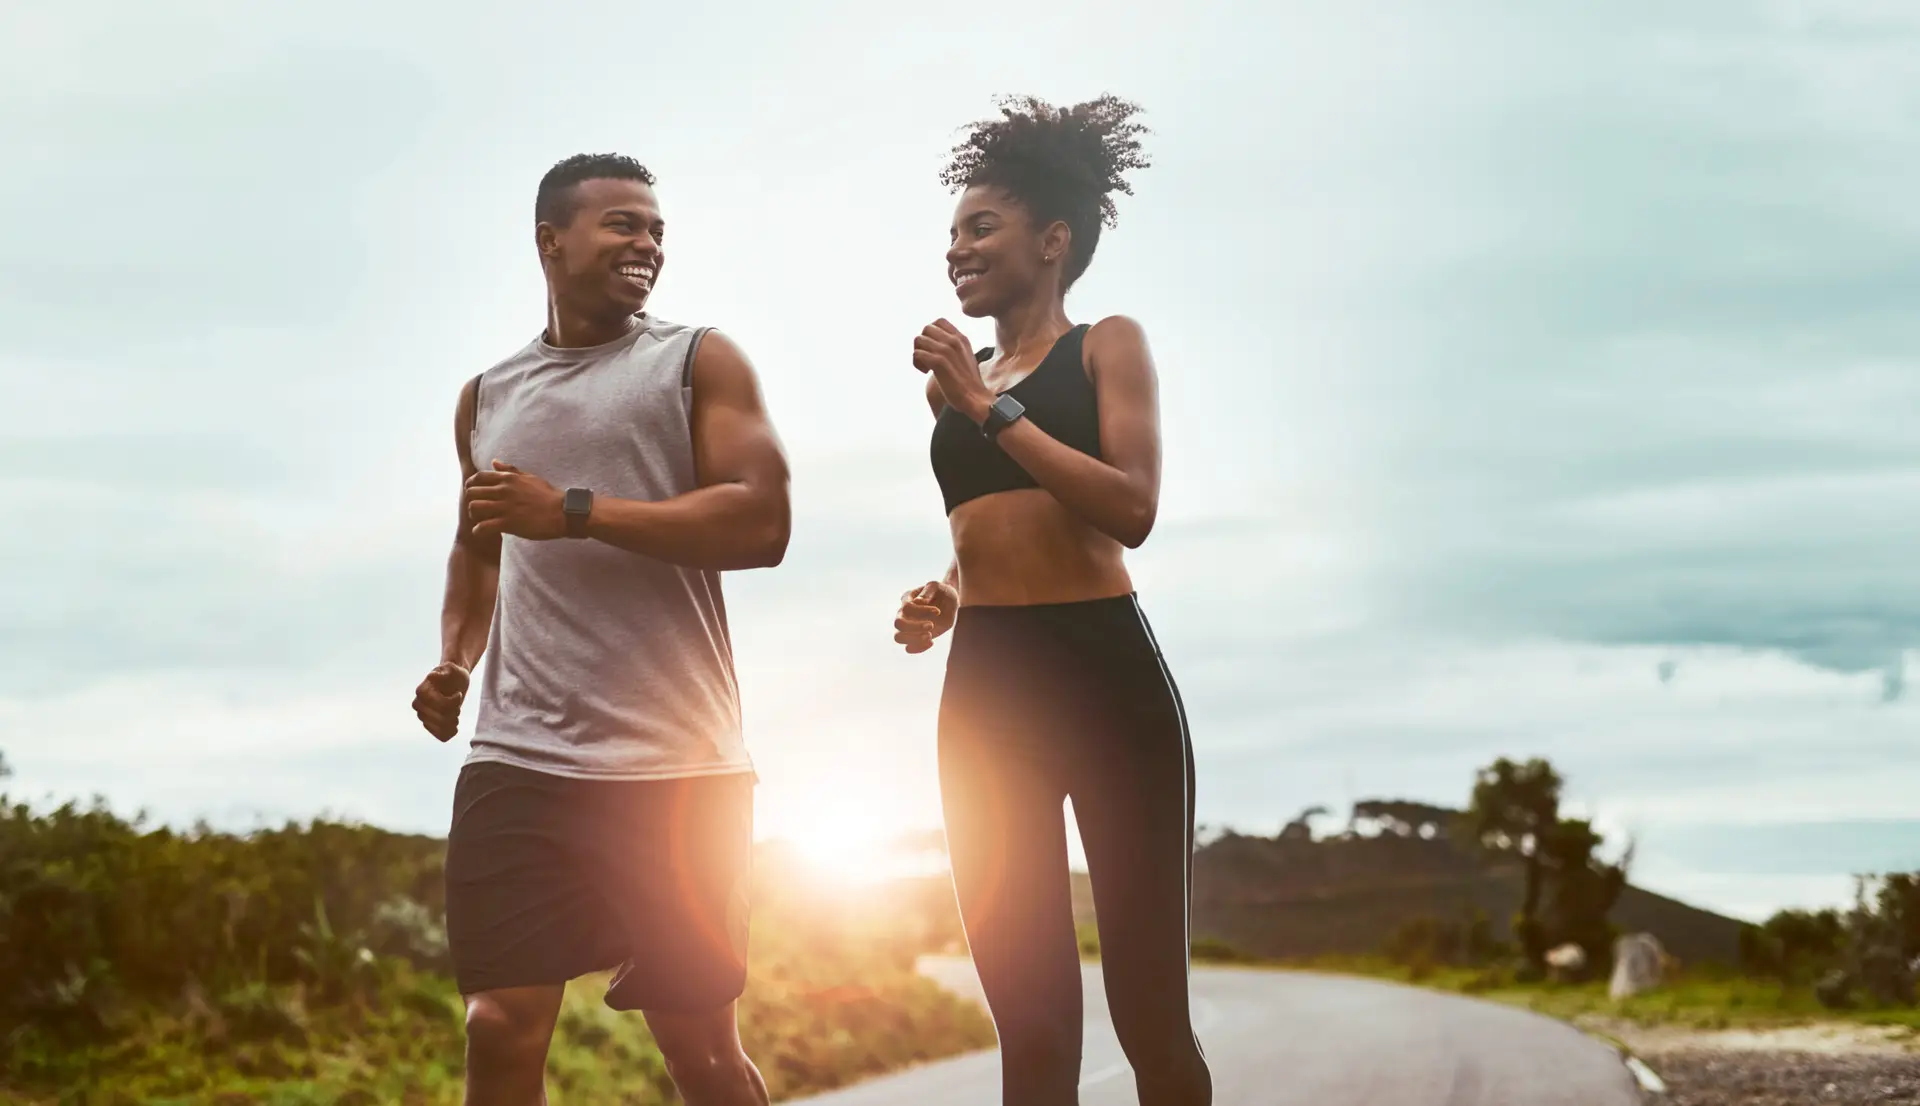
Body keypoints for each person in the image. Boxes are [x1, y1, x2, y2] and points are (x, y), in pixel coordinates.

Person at [410, 153, 791, 1106]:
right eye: (624, 224)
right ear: (551, 241)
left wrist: (575, 511)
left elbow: (763, 522)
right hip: (519, 757)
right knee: (497, 1023)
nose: (648, 245)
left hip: (679, 768)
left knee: (698, 1049)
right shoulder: (487, 395)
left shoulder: (697, 360)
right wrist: (455, 658)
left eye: (656, 229)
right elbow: (479, 547)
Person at [893, 96, 1212, 1106]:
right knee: (1029, 1026)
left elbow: (1130, 507)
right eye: (950, 234)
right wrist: (943, 594)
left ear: (1054, 238)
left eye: (981, 227)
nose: (958, 250)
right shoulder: (960, 385)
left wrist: (991, 408)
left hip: (1106, 677)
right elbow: (992, 522)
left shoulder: (1107, 345)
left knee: (1151, 1016)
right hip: (988, 688)